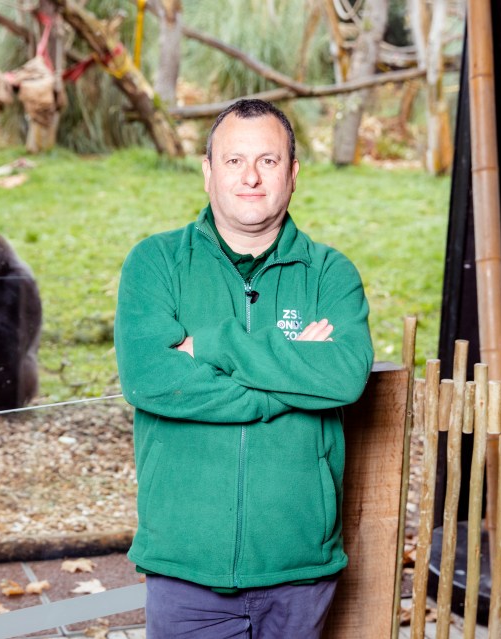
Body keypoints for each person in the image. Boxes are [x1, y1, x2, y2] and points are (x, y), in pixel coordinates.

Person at [114, 99, 374, 638]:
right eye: (233, 161)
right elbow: (149, 378)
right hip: (186, 565)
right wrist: (292, 380)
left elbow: (345, 376)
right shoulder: (155, 262)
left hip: (298, 566)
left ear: (293, 174)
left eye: (269, 162)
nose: (251, 177)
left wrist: (210, 343)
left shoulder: (330, 272)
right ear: (208, 172)